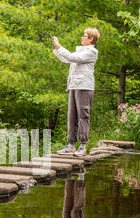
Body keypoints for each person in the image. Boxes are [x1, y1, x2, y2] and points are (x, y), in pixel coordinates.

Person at [52, 28, 100, 157]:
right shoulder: (81, 51)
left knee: (83, 116)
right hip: (73, 86)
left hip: (84, 87)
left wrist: (59, 46)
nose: (81, 37)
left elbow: (73, 57)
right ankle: (71, 145)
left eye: (84, 36)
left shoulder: (92, 52)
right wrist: (57, 49)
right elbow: (67, 59)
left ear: (91, 39)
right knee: (71, 116)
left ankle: (83, 146)